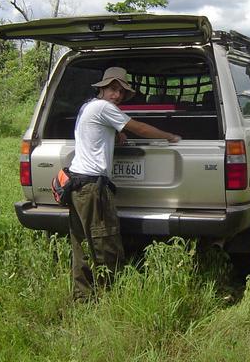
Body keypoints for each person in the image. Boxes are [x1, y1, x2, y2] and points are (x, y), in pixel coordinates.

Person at [68, 66, 181, 300]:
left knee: (82, 245)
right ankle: (111, 296)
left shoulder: (88, 106)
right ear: (102, 89)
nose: (116, 95)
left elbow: (98, 134)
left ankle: (83, 297)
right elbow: (138, 128)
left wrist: (114, 134)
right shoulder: (103, 107)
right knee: (105, 242)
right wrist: (170, 136)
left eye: (120, 91)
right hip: (92, 187)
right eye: (112, 89)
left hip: (78, 185)